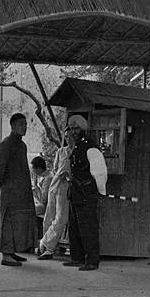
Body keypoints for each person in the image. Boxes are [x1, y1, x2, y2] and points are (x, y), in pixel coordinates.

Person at [62, 115, 107, 271]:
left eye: (76, 128)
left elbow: (100, 172)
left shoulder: (90, 147)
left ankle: (92, 261)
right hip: (75, 193)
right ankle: (77, 258)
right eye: (71, 128)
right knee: (75, 228)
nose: (73, 132)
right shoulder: (77, 146)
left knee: (88, 228)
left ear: (83, 129)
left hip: (87, 194)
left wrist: (100, 191)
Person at [0, 113, 37, 267]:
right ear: (12, 126)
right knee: (7, 222)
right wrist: (0, 186)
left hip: (21, 191)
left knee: (18, 222)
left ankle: (11, 251)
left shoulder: (21, 145)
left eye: (25, 124)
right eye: (20, 124)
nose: (24, 127)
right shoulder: (6, 144)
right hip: (9, 190)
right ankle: (6, 255)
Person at [37, 126, 73, 260]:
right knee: (49, 216)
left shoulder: (76, 152)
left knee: (61, 218)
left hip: (66, 187)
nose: (68, 139)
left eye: (70, 136)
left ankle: (46, 243)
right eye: (66, 136)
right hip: (55, 185)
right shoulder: (60, 151)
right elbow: (56, 169)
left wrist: (68, 176)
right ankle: (46, 247)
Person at [30, 156, 52, 240]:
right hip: (45, 205)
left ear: (38, 168)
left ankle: (34, 237)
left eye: (34, 169)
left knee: (28, 211)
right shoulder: (45, 176)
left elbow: (44, 199)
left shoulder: (48, 178)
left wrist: (35, 189)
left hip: (47, 207)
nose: (33, 172)